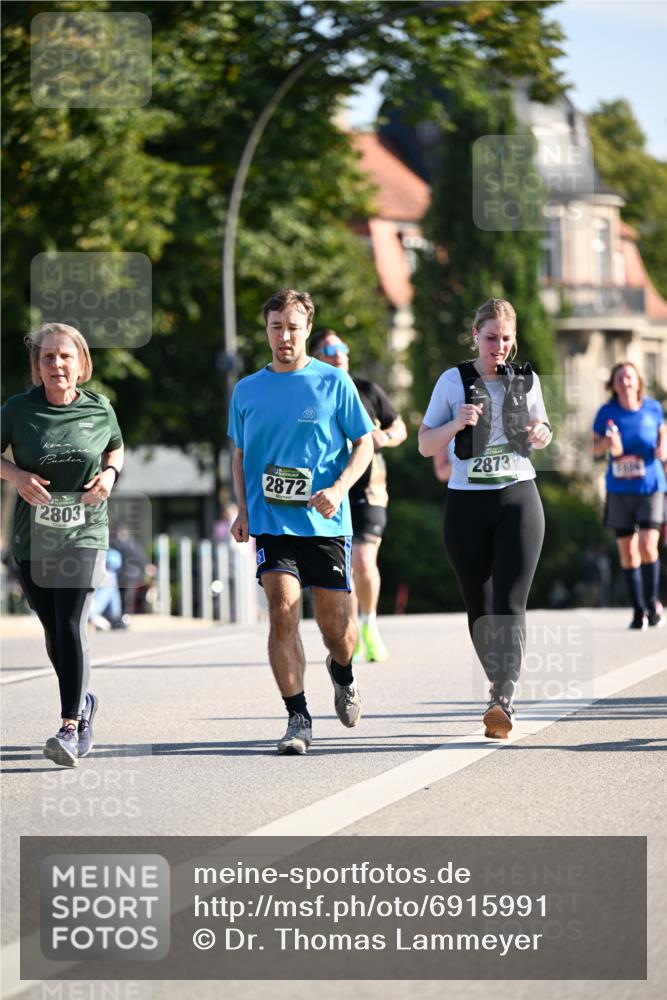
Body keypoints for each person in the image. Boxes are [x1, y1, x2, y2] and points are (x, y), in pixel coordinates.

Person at [228, 289, 374, 755]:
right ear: (266, 329)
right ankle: (298, 717)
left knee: (336, 629)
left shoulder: (334, 382)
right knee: (282, 609)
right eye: (276, 327)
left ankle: (343, 673)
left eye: (293, 327)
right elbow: (239, 454)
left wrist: (338, 489)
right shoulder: (247, 389)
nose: (284, 336)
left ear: (308, 328)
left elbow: (364, 443)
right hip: (272, 522)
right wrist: (244, 510)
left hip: (327, 523)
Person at [418, 298, 552, 739]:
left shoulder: (526, 379)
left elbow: (543, 428)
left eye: (506, 339)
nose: (499, 347)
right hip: (467, 503)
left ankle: (503, 697)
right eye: (491, 338)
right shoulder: (453, 381)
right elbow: (424, 444)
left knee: (510, 603)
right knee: (479, 605)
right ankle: (498, 684)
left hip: (517, 497)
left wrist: (541, 432)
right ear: (475, 335)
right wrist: (456, 424)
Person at [1, 322, 124, 766]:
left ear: (81, 363)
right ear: (37, 366)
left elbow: (115, 449)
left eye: (65, 356)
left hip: (85, 532)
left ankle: (70, 725)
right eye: (48, 357)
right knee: (54, 631)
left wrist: (109, 476)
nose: (57, 364)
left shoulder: (99, 408)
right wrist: (15, 475)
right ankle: (84, 702)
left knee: (71, 623)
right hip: (32, 538)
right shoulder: (18, 410)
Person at [309, 328, 407, 662]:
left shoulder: (366, 390)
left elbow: (401, 427)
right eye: (329, 348)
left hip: (369, 489)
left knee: (364, 562)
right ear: (316, 357)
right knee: (343, 568)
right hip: (330, 492)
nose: (338, 353)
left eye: (342, 347)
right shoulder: (312, 394)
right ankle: (350, 628)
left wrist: (385, 438)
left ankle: (369, 623)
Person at [592, 362, 666, 629]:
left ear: (638, 381)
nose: (625, 381)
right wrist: (606, 444)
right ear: (612, 384)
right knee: (627, 550)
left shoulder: (653, 409)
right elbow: (594, 449)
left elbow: (663, 435)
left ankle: (651, 600)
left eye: (630, 377)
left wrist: (664, 449)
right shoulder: (606, 413)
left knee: (647, 544)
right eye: (620, 377)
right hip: (620, 490)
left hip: (650, 486)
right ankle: (637, 610)